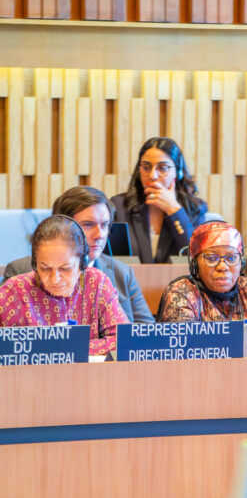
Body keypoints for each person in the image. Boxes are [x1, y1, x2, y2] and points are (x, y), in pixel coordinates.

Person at [2, 186, 154, 324]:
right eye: (88, 225)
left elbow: (146, 334)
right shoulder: (19, 272)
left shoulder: (123, 273)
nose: (100, 235)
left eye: (104, 225)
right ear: (60, 225)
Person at [0, 216, 128, 355]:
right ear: (35, 264)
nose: (55, 279)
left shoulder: (97, 283)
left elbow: (125, 340)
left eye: (65, 268)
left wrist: (66, 348)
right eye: (45, 268)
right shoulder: (15, 290)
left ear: (82, 263)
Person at [157, 221, 247, 338]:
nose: (223, 267)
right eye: (211, 258)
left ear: (241, 264)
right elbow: (187, 343)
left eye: (231, 258)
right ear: (194, 264)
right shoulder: (181, 293)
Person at [112, 137, 207, 263]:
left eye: (162, 168)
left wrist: (174, 210)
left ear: (178, 172)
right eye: (146, 167)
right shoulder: (119, 207)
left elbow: (198, 257)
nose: (152, 176)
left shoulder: (195, 209)